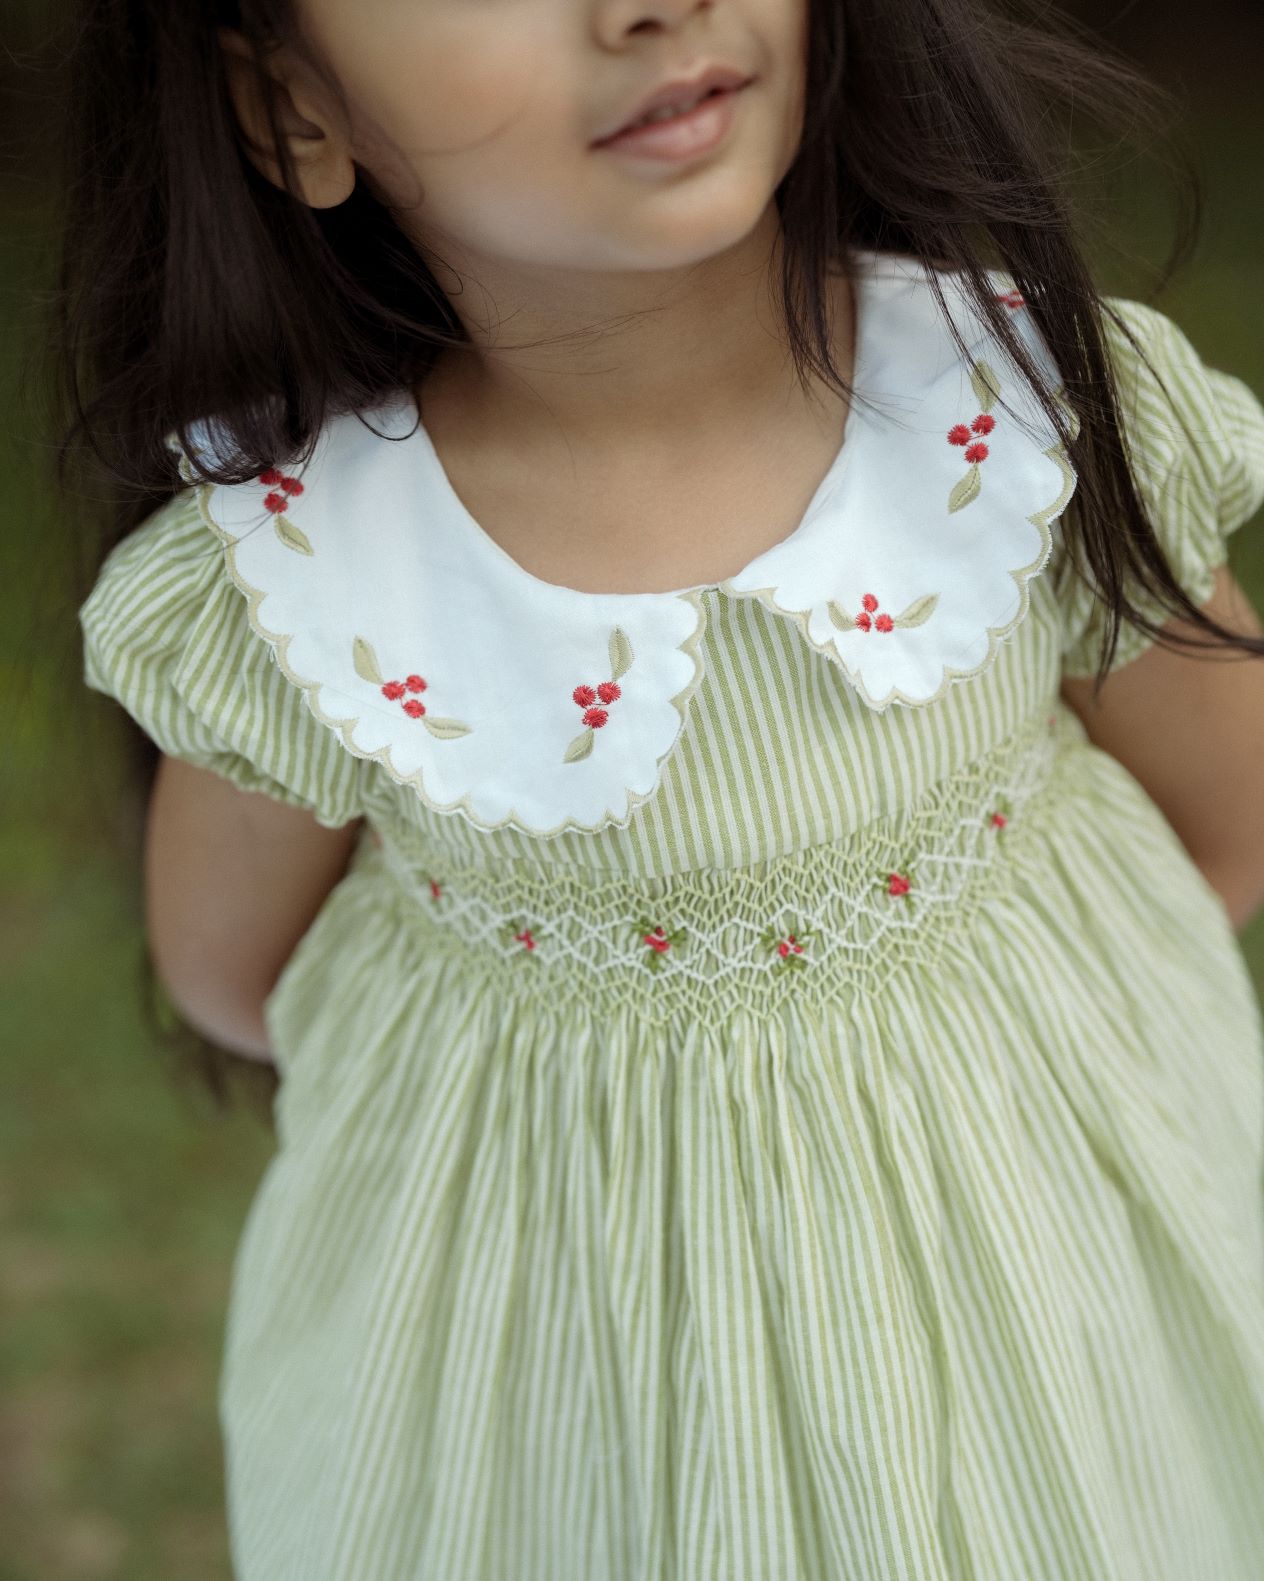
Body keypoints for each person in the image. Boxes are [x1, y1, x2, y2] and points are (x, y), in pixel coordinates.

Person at [53, 0, 1264, 1574]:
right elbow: (236, 971)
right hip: (566, 1403)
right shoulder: (310, 573)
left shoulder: (1012, 409)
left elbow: (1227, 818)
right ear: (295, 109)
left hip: (1047, 1315)